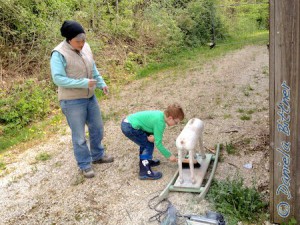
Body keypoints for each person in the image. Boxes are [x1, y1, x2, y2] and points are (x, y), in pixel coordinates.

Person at [50, 20, 114, 178]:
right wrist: (83, 83)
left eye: (83, 40)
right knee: (79, 136)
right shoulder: (59, 53)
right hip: (71, 101)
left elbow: (92, 67)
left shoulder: (86, 46)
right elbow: (58, 79)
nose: (82, 43)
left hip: (90, 97)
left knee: (97, 128)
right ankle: (85, 164)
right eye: (78, 41)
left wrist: (101, 83)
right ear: (69, 39)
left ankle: (98, 155)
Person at [121, 104, 184, 180]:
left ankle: (146, 161)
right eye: (176, 122)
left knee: (145, 142)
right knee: (148, 145)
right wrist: (169, 156)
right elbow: (159, 144)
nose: (176, 124)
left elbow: (149, 124)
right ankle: (145, 172)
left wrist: (153, 135)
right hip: (130, 127)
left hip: (128, 122)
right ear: (170, 118)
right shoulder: (160, 123)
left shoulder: (160, 115)